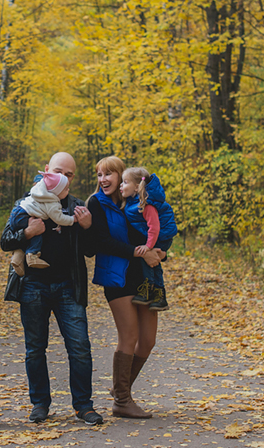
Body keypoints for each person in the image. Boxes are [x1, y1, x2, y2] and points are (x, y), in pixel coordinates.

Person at [0, 152, 104, 426]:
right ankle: (40, 405)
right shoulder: (27, 202)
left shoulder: (79, 207)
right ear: (47, 170)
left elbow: (92, 250)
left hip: (69, 285)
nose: (64, 177)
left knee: (80, 347)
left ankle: (83, 406)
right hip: (33, 284)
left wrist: (87, 226)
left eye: (69, 174)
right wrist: (28, 233)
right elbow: (5, 241)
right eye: (59, 170)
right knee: (35, 348)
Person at [87, 156, 165, 419]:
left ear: (123, 176)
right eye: (99, 174)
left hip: (146, 277)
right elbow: (101, 242)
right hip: (116, 277)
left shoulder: (137, 201)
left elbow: (157, 228)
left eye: (109, 173)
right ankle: (122, 400)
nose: (103, 179)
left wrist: (161, 252)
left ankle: (121, 390)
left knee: (148, 341)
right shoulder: (96, 203)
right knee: (129, 337)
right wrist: (139, 252)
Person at [120, 167, 178, 311]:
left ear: (136, 187)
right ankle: (156, 293)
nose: (121, 185)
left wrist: (149, 246)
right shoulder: (133, 202)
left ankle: (151, 290)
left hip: (160, 236)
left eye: (125, 182)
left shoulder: (146, 204)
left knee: (148, 260)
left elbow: (154, 227)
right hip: (154, 236)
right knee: (151, 261)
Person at [9, 171, 77, 274]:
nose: (68, 190)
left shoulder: (39, 191)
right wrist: (73, 219)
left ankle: (17, 256)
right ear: (56, 192)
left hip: (17, 214)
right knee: (38, 230)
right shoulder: (52, 202)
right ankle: (32, 255)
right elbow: (59, 218)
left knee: (30, 232)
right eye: (65, 189)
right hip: (24, 216)